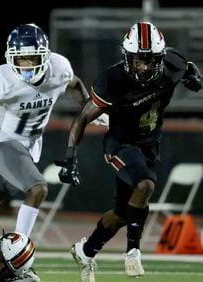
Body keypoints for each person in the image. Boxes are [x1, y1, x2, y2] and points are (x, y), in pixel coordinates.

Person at [54, 21, 202, 282]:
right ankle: (133, 251)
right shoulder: (112, 80)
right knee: (145, 184)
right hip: (120, 144)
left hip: (149, 145)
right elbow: (82, 119)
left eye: (150, 60)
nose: (144, 67)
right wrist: (70, 157)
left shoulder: (171, 64)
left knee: (122, 214)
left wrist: (194, 76)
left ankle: (86, 251)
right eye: (137, 60)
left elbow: (187, 65)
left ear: (160, 57)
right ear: (126, 57)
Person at [0, 23, 103, 238]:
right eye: (21, 60)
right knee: (38, 189)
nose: (27, 66)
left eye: (33, 59)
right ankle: (21, 247)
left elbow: (75, 83)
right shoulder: (1, 80)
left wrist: (88, 106)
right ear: (10, 58)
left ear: (46, 56)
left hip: (28, 149)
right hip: (2, 143)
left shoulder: (59, 69)